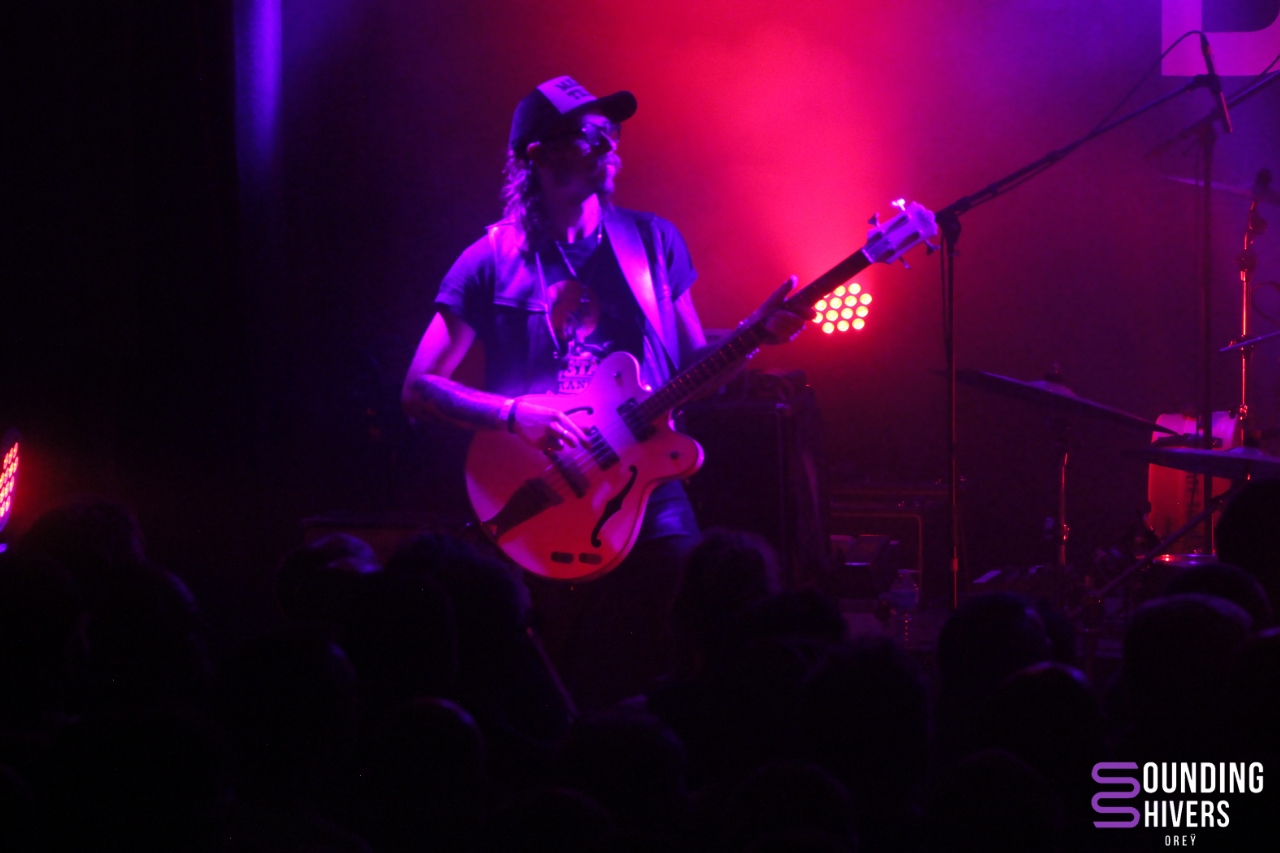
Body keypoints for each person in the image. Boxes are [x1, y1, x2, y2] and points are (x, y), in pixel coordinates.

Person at [402, 75, 805, 708]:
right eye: (588, 134)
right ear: (537, 153)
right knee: (535, 673)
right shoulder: (489, 259)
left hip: (642, 483)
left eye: (610, 132)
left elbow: (693, 366)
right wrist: (512, 413)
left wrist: (753, 336)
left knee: (690, 623)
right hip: (536, 482)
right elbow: (419, 386)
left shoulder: (653, 243)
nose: (609, 144)